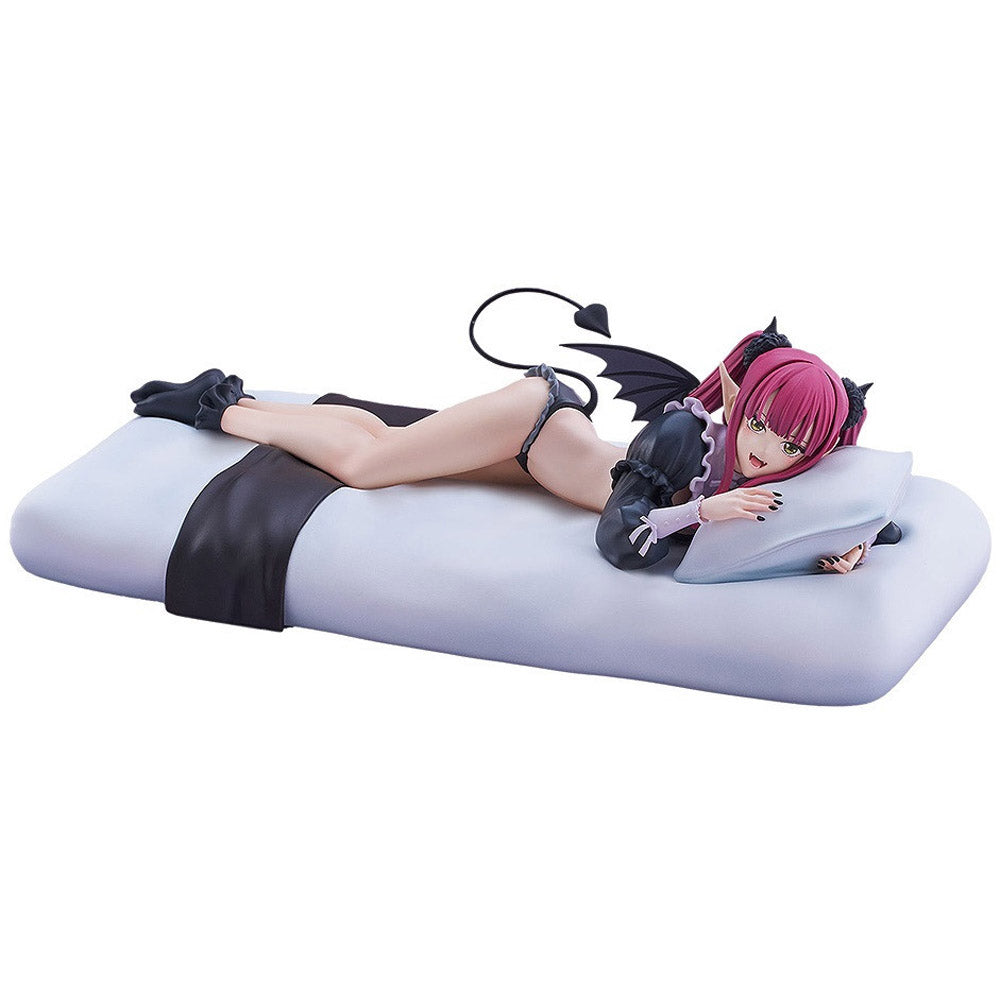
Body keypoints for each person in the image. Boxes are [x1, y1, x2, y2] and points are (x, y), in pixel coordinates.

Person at [129, 316, 877, 575]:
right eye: (759, 424)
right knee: (367, 464)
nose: (767, 450)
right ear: (740, 406)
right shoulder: (684, 438)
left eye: (792, 443)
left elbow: (874, 517)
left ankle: (246, 403)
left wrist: (852, 547)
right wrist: (702, 514)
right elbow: (618, 538)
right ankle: (217, 407)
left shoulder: (782, 473)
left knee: (388, 443)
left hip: (540, 465)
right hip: (533, 426)